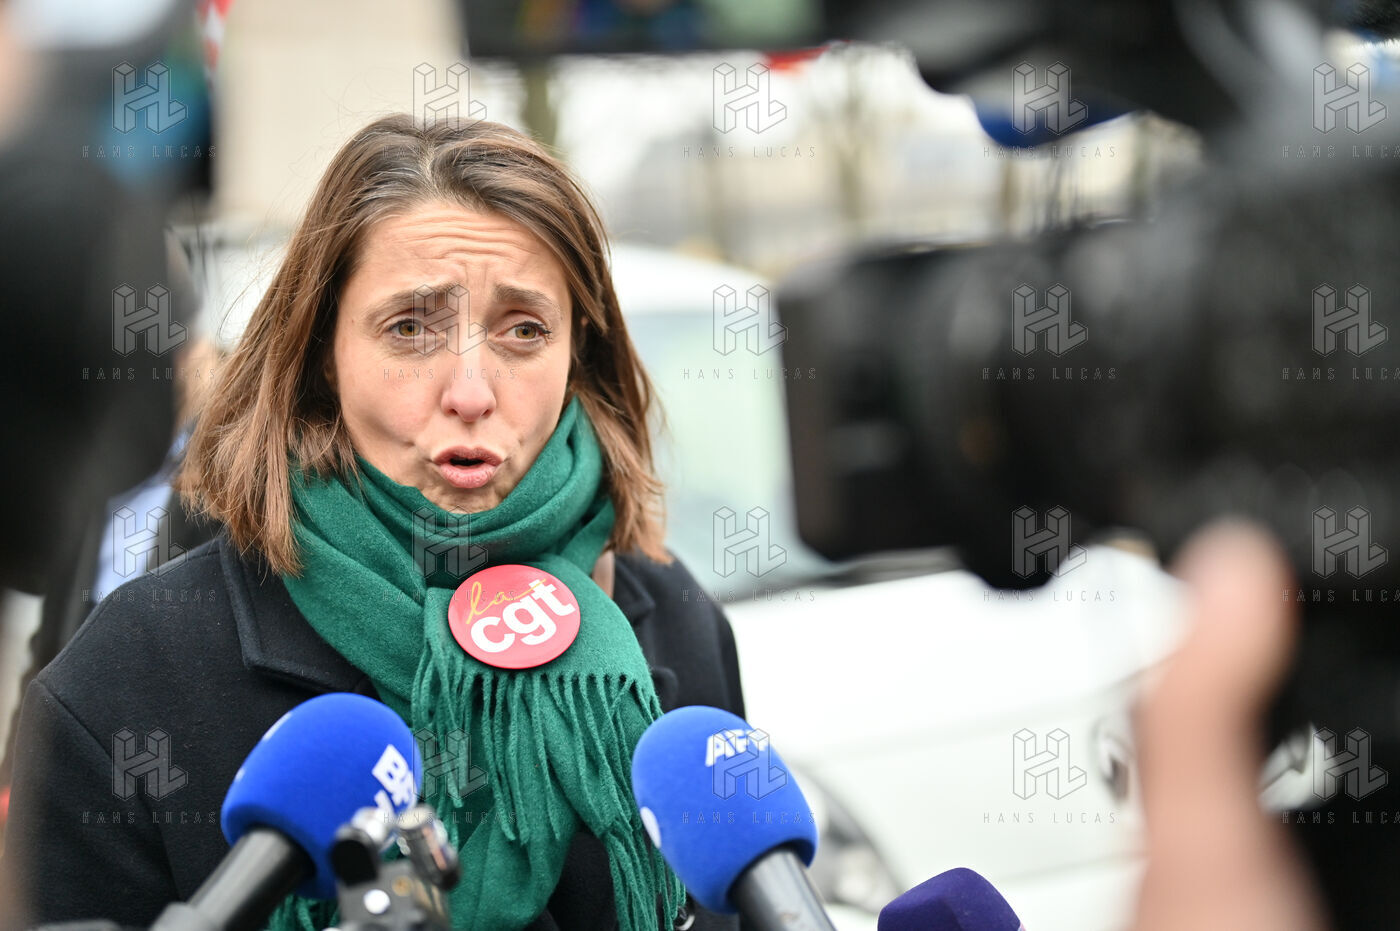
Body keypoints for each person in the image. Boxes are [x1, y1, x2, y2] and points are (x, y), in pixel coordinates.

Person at [4, 115, 745, 931]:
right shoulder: (125, 678)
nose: (472, 392)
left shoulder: (672, 618)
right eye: (411, 328)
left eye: (524, 330)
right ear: (323, 352)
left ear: (579, 352)